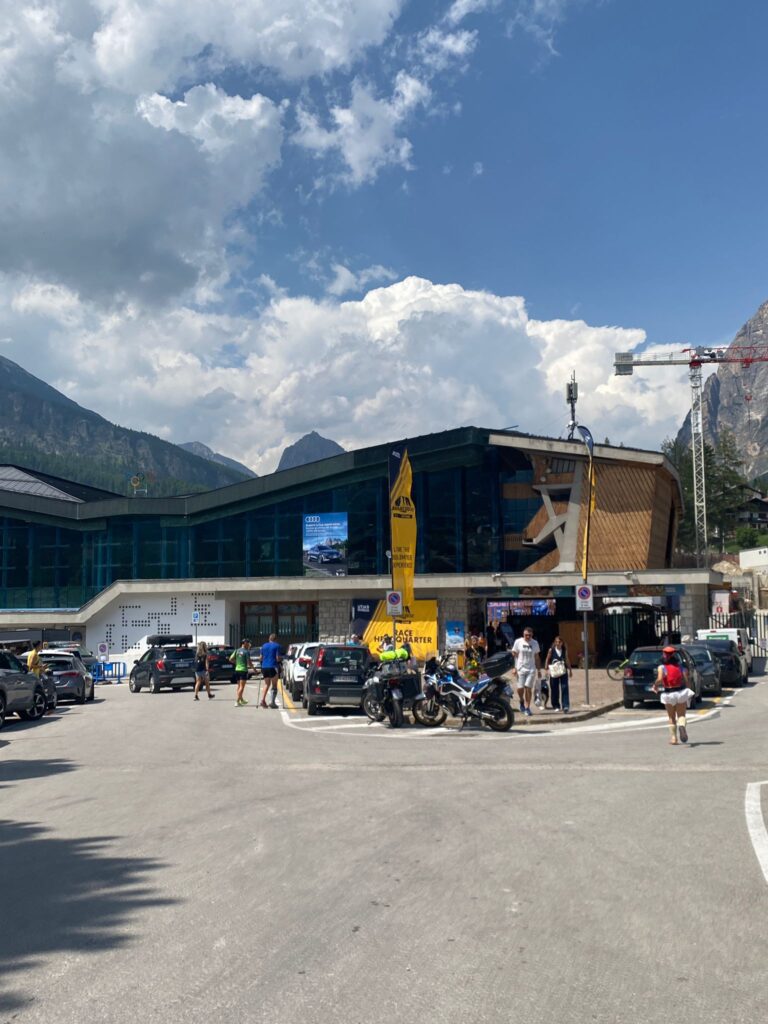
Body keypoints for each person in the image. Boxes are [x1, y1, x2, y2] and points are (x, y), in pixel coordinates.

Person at [652, 646, 694, 744]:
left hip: (669, 694)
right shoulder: (681, 667)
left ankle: (674, 738)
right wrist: (688, 690)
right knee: (681, 715)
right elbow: (686, 680)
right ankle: (682, 726)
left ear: (664, 655)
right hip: (680, 692)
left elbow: (659, 679)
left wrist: (655, 685)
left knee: (671, 717)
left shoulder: (662, 667)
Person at [511, 627, 542, 717]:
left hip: (531, 669)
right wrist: (514, 667)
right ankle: (521, 700)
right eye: (526, 635)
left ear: (532, 635)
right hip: (520, 668)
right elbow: (514, 654)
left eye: (529, 635)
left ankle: (527, 707)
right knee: (520, 688)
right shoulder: (518, 642)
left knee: (528, 688)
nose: (528, 637)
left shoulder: (535, 643)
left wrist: (539, 670)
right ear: (523, 634)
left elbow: (537, 657)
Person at [544, 636, 572, 712]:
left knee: (564, 687)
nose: (558, 643)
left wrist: (570, 670)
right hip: (554, 671)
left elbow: (567, 659)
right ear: (554, 642)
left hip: (563, 671)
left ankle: (565, 705)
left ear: (562, 643)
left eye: (559, 642)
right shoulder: (551, 650)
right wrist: (546, 669)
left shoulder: (564, 650)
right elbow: (547, 658)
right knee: (554, 688)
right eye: (556, 642)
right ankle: (556, 705)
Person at [260, 633, 282, 708]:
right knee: (274, 685)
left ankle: (263, 700)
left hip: (264, 667)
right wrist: (281, 659)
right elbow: (277, 658)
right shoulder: (277, 646)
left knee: (266, 684)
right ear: (276, 639)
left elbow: (260, 658)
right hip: (273, 666)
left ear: (269, 639)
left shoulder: (263, 646)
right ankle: (272, 702)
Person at [229, 639, 251, 707]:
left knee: (239, 686)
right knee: (241, 687)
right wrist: (255, 670)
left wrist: (237, 663)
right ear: (244, 643)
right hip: (243, 670)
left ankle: (241, 699)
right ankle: (237, 701)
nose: (248, 644)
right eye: (247, 643)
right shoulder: (246, 651)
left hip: (237, 670)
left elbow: (230, 659)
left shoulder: (237, 650)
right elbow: (249, 663)